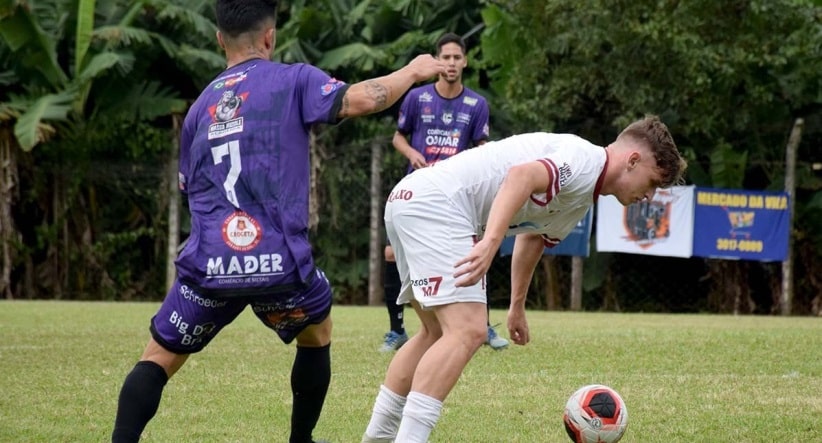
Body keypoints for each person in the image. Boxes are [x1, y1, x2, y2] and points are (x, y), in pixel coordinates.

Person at [110, 1, 446, 442]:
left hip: (211, 263)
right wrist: (413, 71)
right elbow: (362, 99)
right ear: (270, 37)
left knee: (158, 356)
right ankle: (300, 440)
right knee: (317, 331)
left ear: (218, 40)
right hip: (278, 265)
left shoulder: (199, 109)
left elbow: (191, 189)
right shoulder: (294, 79)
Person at [362, 116, 687, 442]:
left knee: (434, 333)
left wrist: (516, 305)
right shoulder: (585, 160)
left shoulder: (584, 196)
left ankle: (376, 439)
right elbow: (522, 176)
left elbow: (533, 238)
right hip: (437, 204)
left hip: (412, 198)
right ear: (633, 160)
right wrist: (490, 241)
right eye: (654, 183)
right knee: (468, 330)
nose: (650, 196)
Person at [380, 32, 509, 353]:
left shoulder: (477, 104)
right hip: (419, 190)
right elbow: (398, 137)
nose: (451, 63)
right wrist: (411, 154)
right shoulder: (417, 98)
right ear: (437, 61)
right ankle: (397, 331)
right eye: (445, 57)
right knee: (392, 254)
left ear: (464, 61)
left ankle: (484, 327)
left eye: (456, 58)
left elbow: (482, 147)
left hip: (457, 195)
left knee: (476, 250)